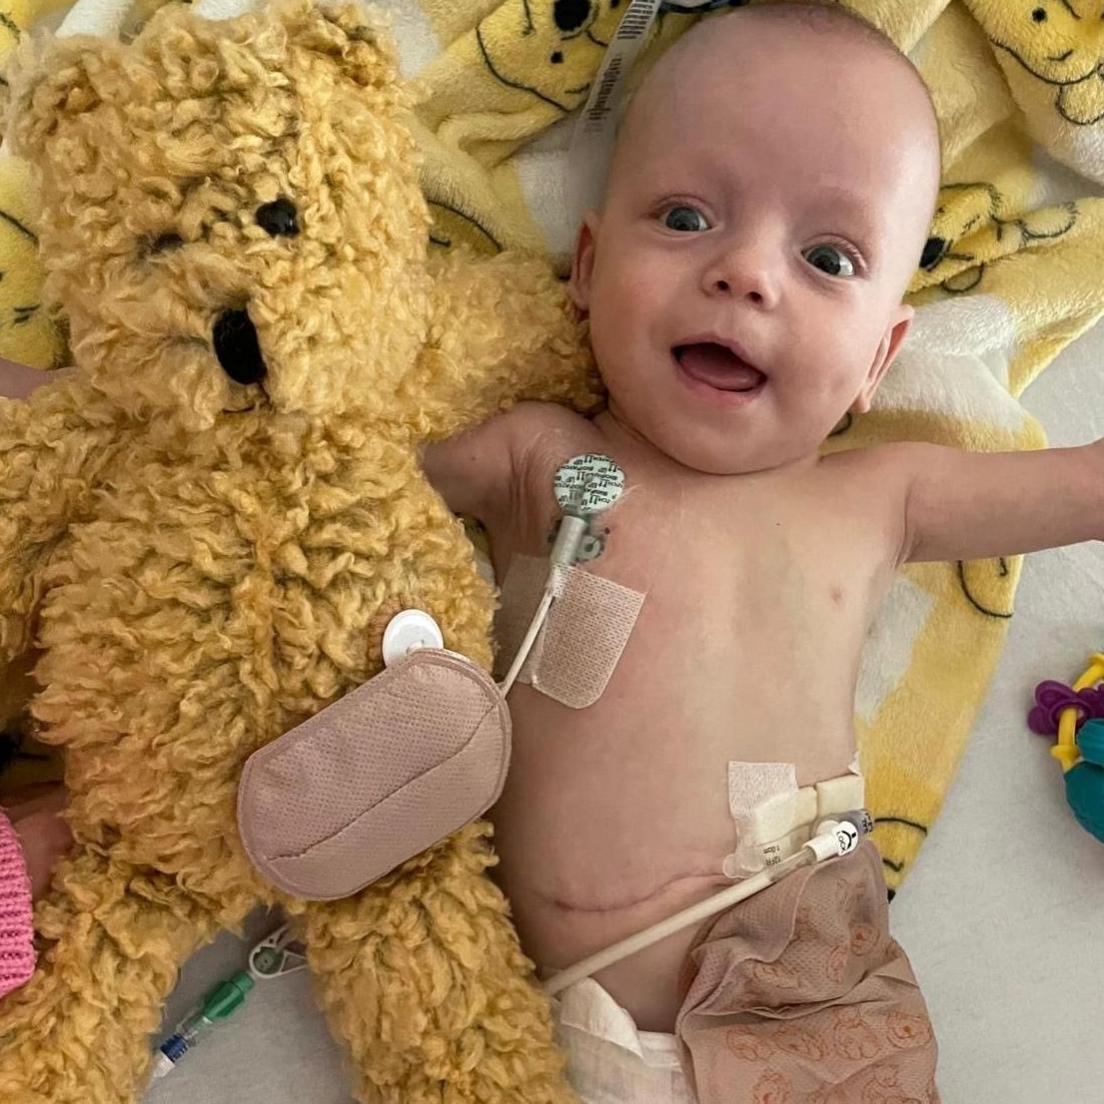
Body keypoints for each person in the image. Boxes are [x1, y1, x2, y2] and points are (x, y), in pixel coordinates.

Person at [422, 4, 1100, 1102]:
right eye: (685, 216)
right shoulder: (541, 462)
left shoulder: (883, 497)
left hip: (823, 1027)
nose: (746, 273)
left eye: (827, 256)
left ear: (880, 359)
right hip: (555, 1041)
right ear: (587, 267)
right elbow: (305, 469)